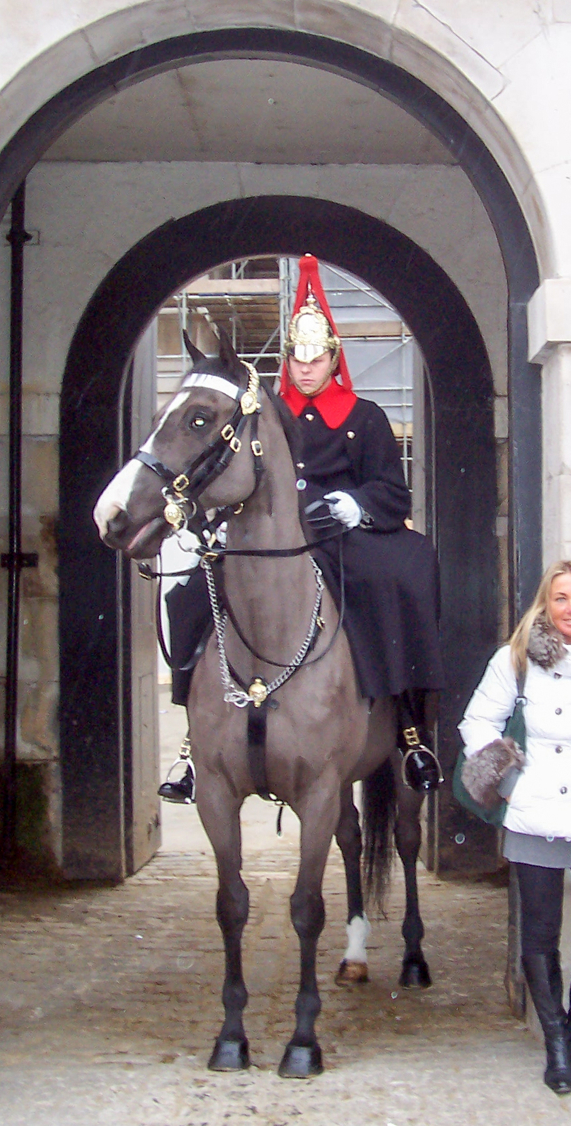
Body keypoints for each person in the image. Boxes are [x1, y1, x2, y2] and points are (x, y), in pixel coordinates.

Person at [159, 254, 444, 800]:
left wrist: (350, 504)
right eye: (296, 358)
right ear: (286, 361)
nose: (305, 368)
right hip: (267, 541)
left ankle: (410, 729)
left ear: (333, 360)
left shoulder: (366, 417)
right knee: (192, 593)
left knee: (396, 580)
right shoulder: (259, 414)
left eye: (315, 358)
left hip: (338, 536)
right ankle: (194, 746)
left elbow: (391, 491)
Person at [458, 560, 571, 1096]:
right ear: (545, 606)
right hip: (537, 805)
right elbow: (478, 721)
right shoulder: (517, 658)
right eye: (560, 598)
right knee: (541, 929)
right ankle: (555, 1040)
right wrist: (506, 779)